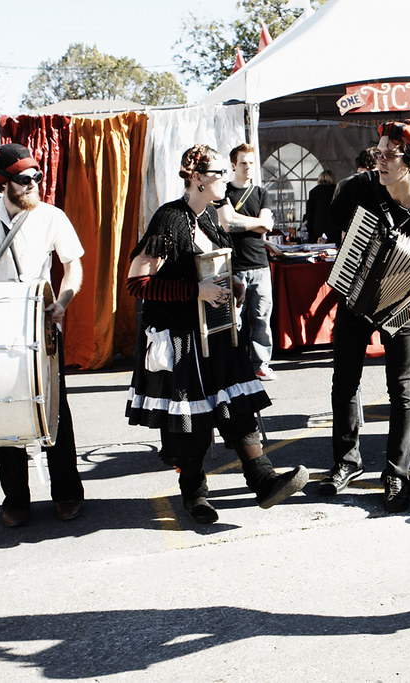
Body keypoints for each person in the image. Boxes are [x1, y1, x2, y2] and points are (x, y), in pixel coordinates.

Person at [125, 144, 308, 524]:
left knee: (237, 406)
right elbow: (137, 282)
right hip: (182, 339)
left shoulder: (207, 217)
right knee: (189, 423)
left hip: (218, 333)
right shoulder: (170, 219)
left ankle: (263, 480)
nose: (225, 179)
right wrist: (195, 292)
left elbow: (216, 267)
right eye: (218, 173)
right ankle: (195, 494)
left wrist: (232, 284)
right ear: (196, 177)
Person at [325, 120, 410, 513]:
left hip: (405, 307)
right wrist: (355, 248)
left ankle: (395, 474)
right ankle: (346, 463)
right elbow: (332, 223)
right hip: (355, 295)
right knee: (344, 382)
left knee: (402, 392)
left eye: (388, 155)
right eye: (378, 152)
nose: (379, 161)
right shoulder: (358, 188)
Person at [0, 143, 85, 527]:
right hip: (0, 328)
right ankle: (16, 498)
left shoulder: (51, 216)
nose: (34, 183)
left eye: (37, 176)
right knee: (1, 411)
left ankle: (67, 493)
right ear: (3, 183)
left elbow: (72, 266)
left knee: (54, 410)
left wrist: (63, 301)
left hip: (41, 325)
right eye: (24, 179)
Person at [222, 143, 276, 381]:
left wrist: (235, 218)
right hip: (234, 266)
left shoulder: (261, 192)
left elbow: (266, 224)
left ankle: (261, 364)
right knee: (234, 321)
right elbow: (226, 224)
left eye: (252, 163)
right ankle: (234, 366)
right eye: (243, 163)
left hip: (260, 265)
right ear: (233, 165)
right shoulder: (223, 193)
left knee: (261, 319)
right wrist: (254, 222)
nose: (248, 167)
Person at [306, 170, 338, 243]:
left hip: (317, 230)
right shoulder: (337, 191)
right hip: (334, 231)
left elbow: (309, 215)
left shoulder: (313, 192)